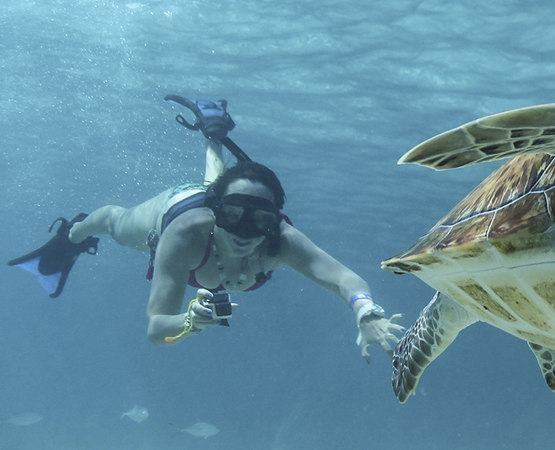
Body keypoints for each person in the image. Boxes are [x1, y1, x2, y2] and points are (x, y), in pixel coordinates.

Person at [8, 96, 403, 362]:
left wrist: (365, 311)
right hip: (177, 207)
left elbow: (343, 279)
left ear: (275, 220)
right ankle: (74, 234)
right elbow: (155, 329)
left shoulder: (279, 242)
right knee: (115, 222)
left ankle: (212, 139)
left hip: (214, 198)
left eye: (260, 218)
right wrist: (189, 322)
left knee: (220, 182)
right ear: (218, 214)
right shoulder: (182, 237)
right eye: (234, 215)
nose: (246, 229)